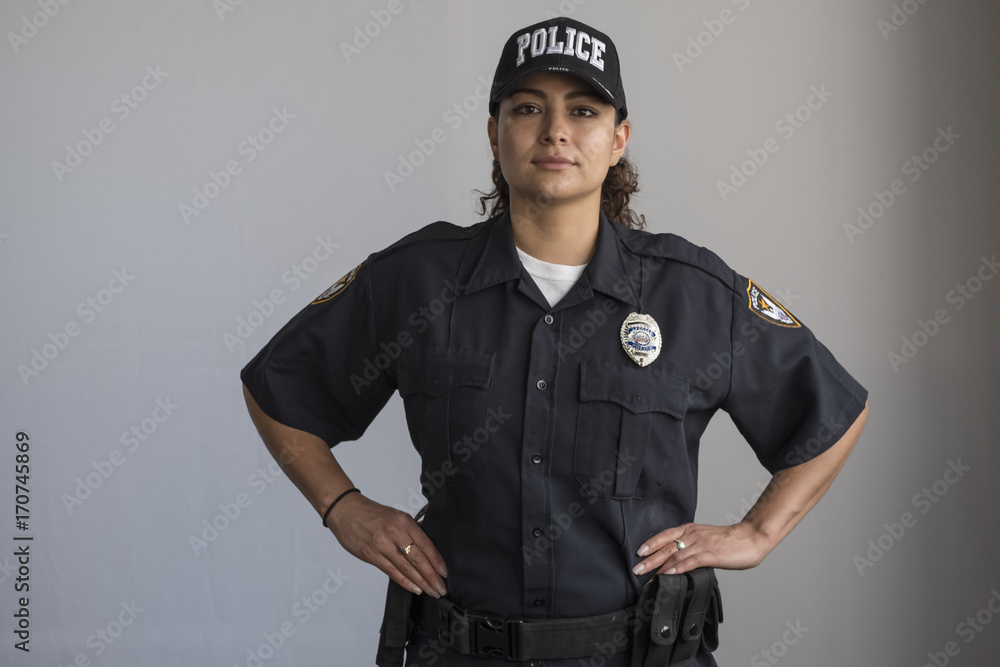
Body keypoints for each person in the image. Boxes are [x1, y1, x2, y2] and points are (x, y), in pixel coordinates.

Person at [241, 16, 869, 667]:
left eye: (584, 110)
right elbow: (279, 389)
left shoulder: (693, 294)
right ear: (494, 133)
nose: (555, 130)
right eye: (527, 107)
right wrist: (343, 507)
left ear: (619, 138)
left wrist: (758, 532)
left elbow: (832, 413)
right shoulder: (416, 281)